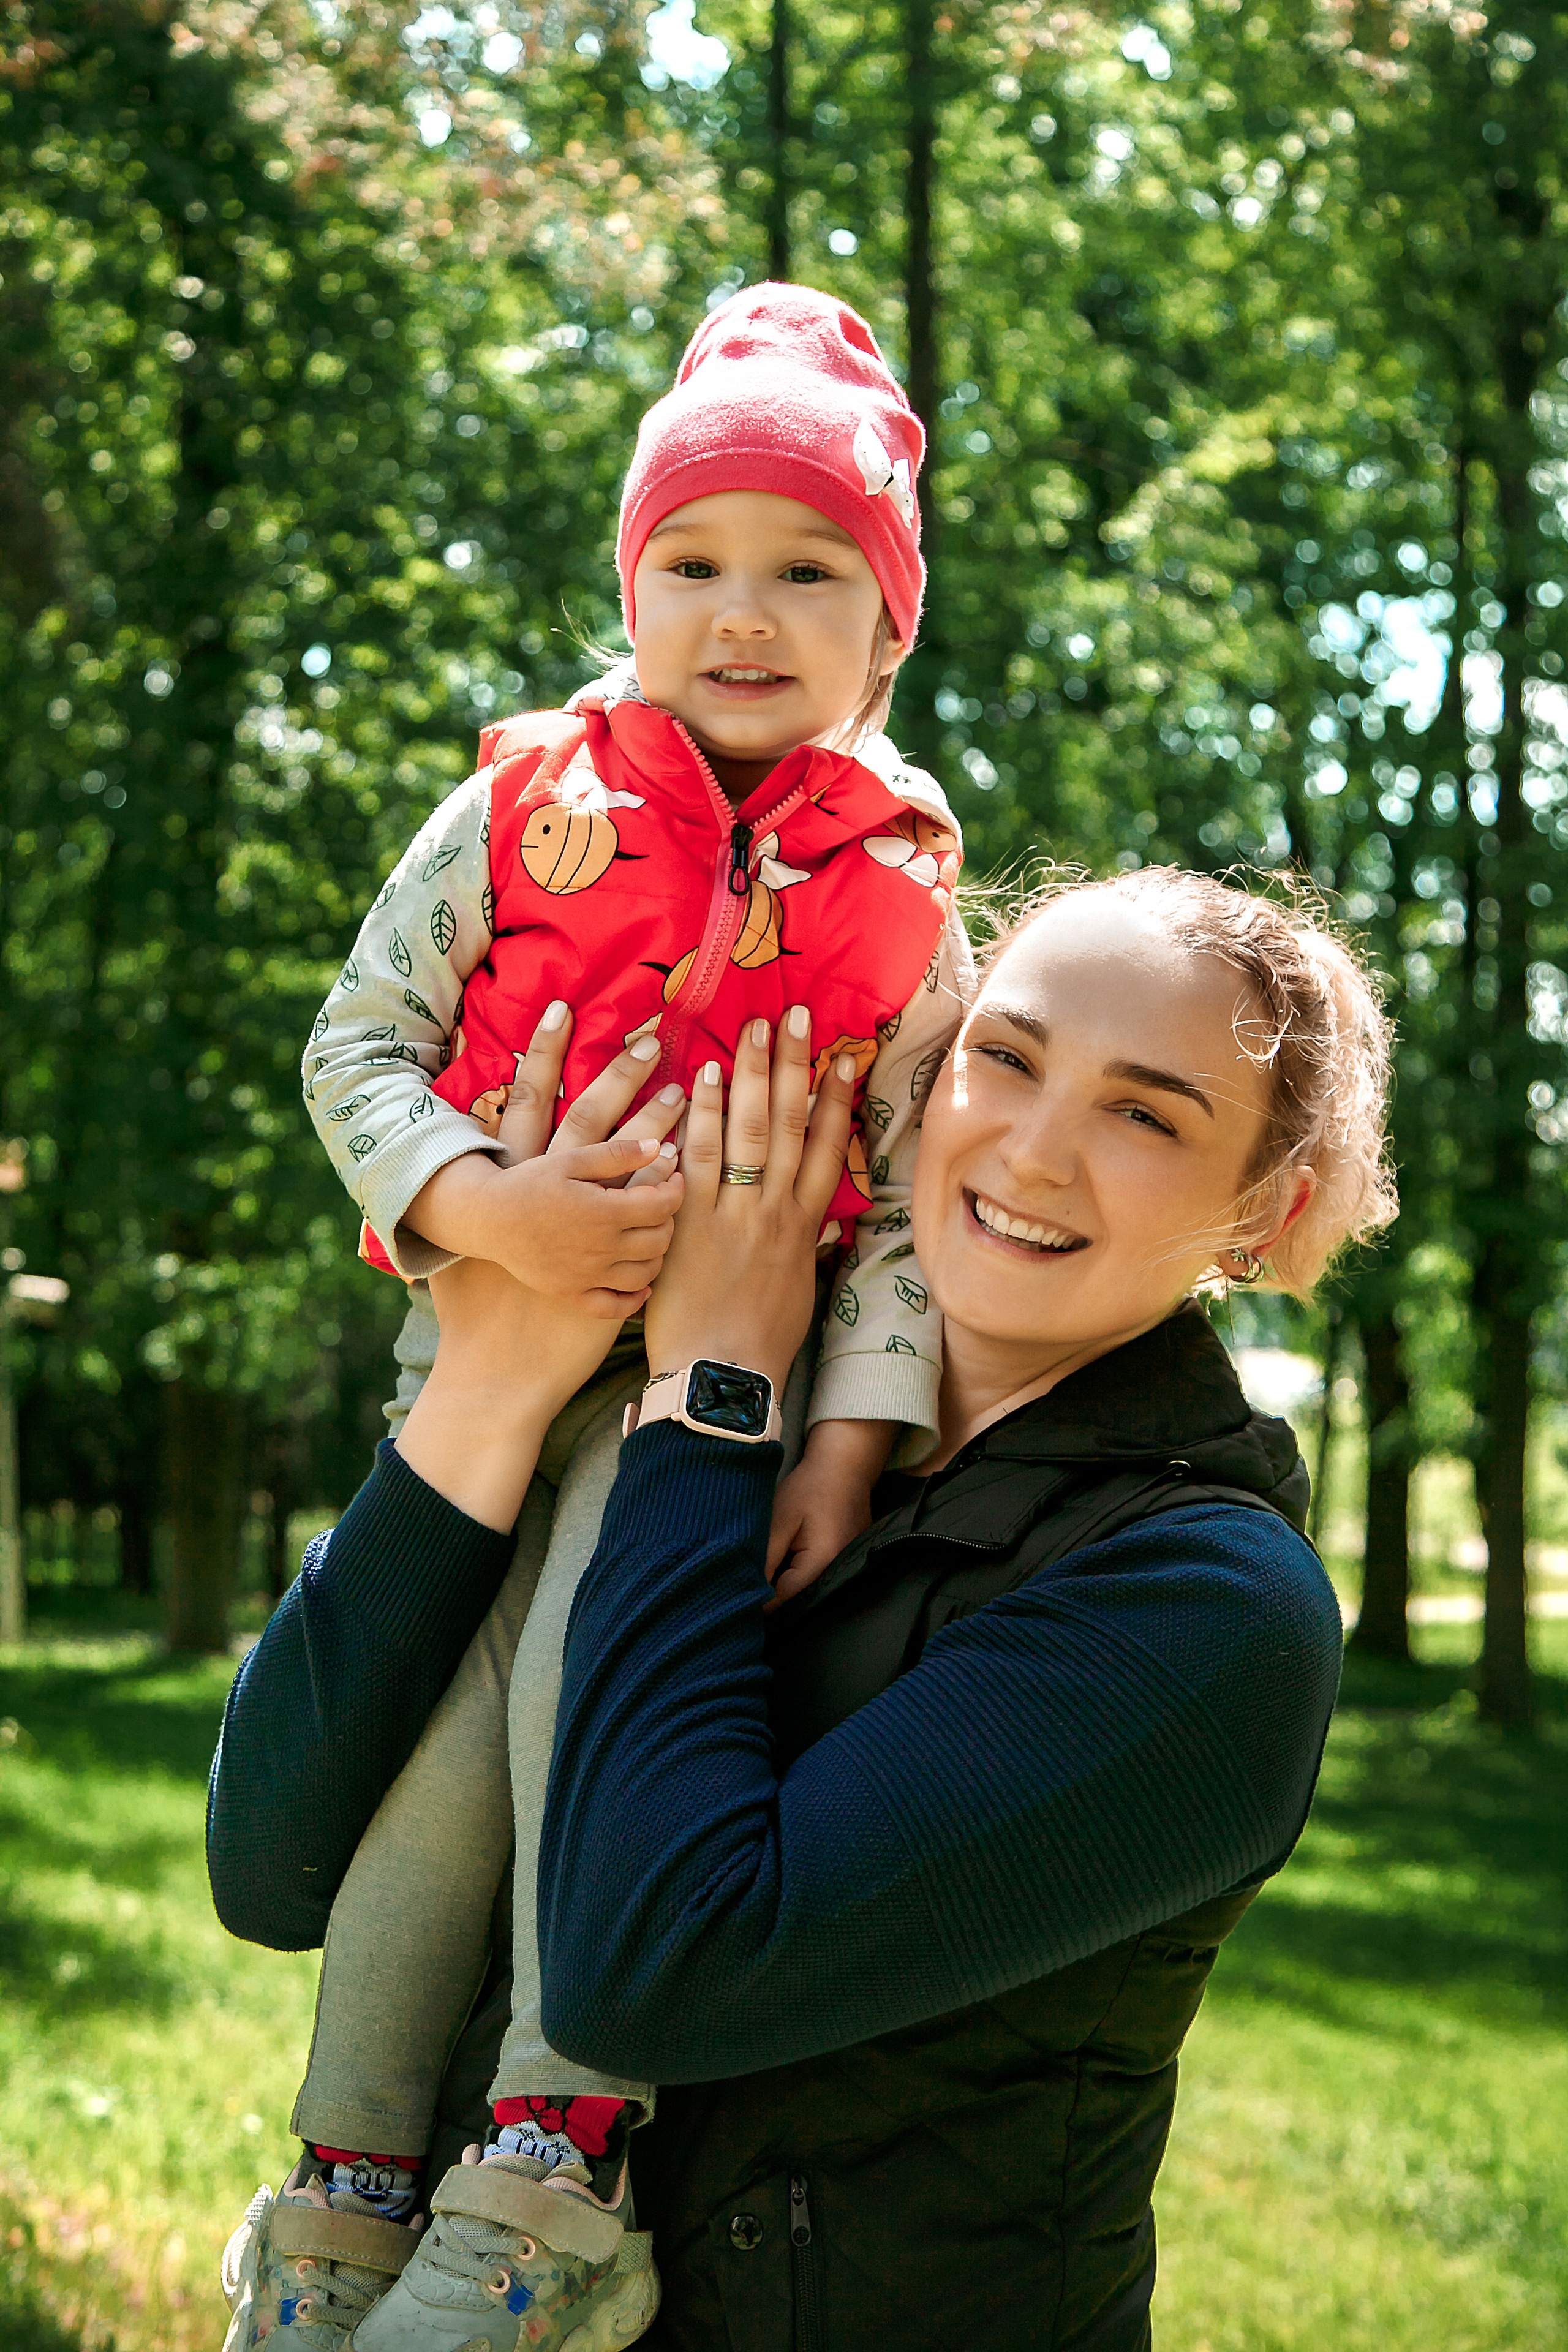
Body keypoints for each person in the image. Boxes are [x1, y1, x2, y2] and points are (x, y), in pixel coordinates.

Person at [209, 865, 1395, 2350]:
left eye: (1144, 1114)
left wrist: (713, 1401)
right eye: (1003, 1058)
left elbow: (656, 1972)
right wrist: (498, 1379)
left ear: (1259, 1213)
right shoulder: (681, 1411)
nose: (1031, 1151)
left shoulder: (1210, 1609)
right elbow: (272, 1866)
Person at [210, 284, 973, 2352]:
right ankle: (350, 2184)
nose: (744, 611)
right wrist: (484, 1202)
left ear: (888, 629)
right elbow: (360, 1041)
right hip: (488, 1360)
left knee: (581, 1719)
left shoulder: (905, 895)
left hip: (704, 1423)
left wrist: (847, 1432)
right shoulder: (523, 806)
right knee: (432, 1770)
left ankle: (552, 2162)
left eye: (809, 571)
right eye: (693, 563)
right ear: (628, 590)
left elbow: (907, 1204)